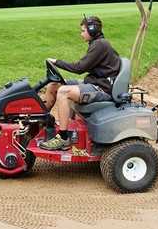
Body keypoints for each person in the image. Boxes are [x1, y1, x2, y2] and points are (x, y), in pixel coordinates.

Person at [40, 15, 121, 150]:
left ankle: (63, 138)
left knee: (63, 92)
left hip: (102, 88)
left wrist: (57, 62)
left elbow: (79, 68)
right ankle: (42, 120)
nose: (81, 34)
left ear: (92, 30)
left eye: (83, 31)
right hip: (94, 82)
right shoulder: (96, 44)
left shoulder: (100, 45)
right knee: (54, 85)